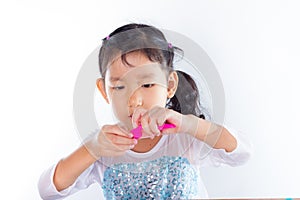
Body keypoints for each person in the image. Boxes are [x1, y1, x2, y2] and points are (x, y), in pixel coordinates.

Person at [38, 23, 252, 199]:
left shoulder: (185, 136)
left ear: (169, 86)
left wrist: (190, 124)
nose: (135, 100)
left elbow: (242, 153)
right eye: (120, 87)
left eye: (147, 85)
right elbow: (47, 190)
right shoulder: (103, 145)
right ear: (104, 91)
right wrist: (92, 148)